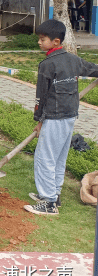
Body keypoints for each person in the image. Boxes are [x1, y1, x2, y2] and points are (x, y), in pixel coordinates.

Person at [25, 19, 98, 215]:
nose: (39, 42)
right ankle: (54, 195)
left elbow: (41, 97)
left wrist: (39, 121)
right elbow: (92, 68)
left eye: (42, 39)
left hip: (55, 117)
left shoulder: (47, 64)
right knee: (58, 158)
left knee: (44, 158)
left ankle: (49, 203)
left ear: (55, 42)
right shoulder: (73, 59)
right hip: (69, 116)